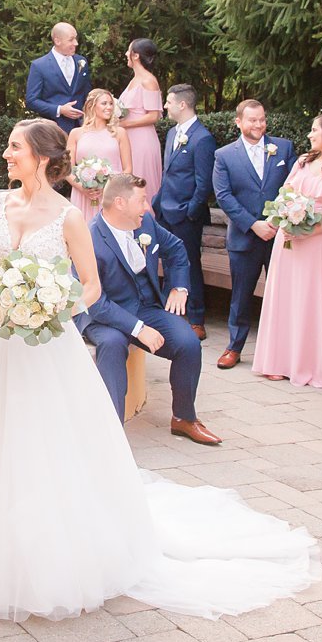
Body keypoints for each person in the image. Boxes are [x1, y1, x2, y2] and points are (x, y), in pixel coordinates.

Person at [0, 130, 318, 621]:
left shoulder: (69, 217)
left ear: (42, 159)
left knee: (44, 443)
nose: (5, 154)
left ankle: (45, 550)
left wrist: (50, 310)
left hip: (46, 339)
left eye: (14, 148)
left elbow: (89, 287)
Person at [81, 173, 221, 442]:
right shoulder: (90, 238)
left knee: (189, 343)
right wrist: (138, 328)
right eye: (142, 200)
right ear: (120, 203)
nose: (147, 206)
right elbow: (94, 300)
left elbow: (177, 249)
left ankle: (183, 418)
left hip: (145, 307)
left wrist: (179, 287)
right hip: (104, 316)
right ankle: (112, 434)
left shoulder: (146, 225)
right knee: (111, 345)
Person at [251, 112, 322, 388]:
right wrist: (284, 218)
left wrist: (312, 230)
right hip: (289, 238)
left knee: (312, 298)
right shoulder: (304, 161)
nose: (310, 135)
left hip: (318, 240)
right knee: (284, 296)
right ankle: (278, 361)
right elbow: (284, 193)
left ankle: (312, 365)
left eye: (314, 130)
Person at [211, 100, 295, 369]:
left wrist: (275, 221)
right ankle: (234, 347)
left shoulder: (283, 147)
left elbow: (293, 186)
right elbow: (224, 196)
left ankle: (283, 350)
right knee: (241, 296)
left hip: (278, 234)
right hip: (245, 237)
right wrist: (253, 224)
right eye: (252, 120)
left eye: (262, 119)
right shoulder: (224, 155)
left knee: (282, 294)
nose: (258, 125)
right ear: (239, 122)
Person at [152, 84, 216, 340]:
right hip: (165, 211)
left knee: (189, 265)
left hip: (185, 215)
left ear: (182, 104)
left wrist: (190, 212)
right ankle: (169, 315)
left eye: (168, 102)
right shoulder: (171, 134)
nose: (165, 106)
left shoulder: (203, 138)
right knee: (167, 266)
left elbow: (204, 184)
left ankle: (196, 318)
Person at [65, 88, 133, 221]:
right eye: (104, 103)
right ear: (91, 106)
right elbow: (67, 169)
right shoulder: (76, 133)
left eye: (111, 104)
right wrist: (83, 188)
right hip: (82, 195)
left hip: (112, 193)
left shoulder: (120, 133)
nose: (109, 107)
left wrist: (108, 187)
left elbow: (128, 169)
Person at [25, 22, 92, 134]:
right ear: (57, 41)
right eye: (71, 40)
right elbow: (32, 101)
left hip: (83, 128)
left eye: (76, 39)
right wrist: (59, 110)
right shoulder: (39, 66)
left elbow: (87, 93)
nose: (76, 43)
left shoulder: (81, 61)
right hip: (54, 130)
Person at [118, 37, 164, 200]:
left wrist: (124, 123)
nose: (125, 54)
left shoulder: (149, 80)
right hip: (129, 137)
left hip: (142, 139)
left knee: (141, 179)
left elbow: (154, 115)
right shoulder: (134, 79)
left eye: (128, 50)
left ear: (135, 55)